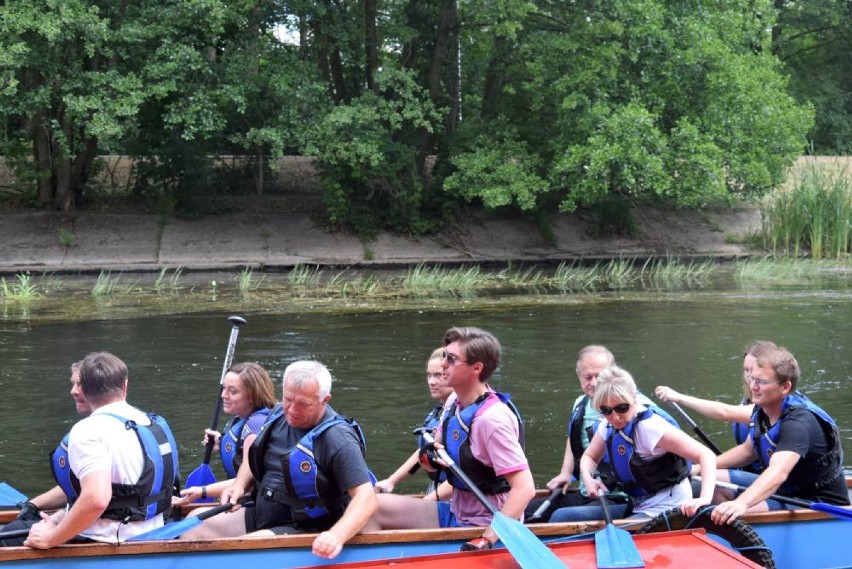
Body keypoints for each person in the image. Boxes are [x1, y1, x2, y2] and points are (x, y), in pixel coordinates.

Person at [181, 360, 377, 561]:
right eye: (288, 399)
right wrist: (239, 485)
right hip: (261, 512)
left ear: (324, 400)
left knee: (240, 553)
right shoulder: (277, 415)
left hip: (302, 527)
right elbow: (254, 458)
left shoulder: (337, 439)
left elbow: (365, 497)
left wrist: (336, 536)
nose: (292, 410)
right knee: (193, 526)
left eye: (303, 404)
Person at [363, 326, 534, 552]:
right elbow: (436, 447)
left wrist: (488, 537)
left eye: (451, 359)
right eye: (445, 356)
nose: (443, 364)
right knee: (370, 506)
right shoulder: (454, 402)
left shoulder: (492, 421)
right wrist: (428, 458)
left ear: (476, 367)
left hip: (482, 524)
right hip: (455, 512)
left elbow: (525, 489)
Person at [21, 352, 179, 548]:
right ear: (125, 385)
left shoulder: (88, 430)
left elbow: (96, 499)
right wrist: (59, 517)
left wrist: (49, 539)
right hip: (155, 531)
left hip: (109, 540)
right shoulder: (151, 422)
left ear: (84, 391)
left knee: (7, 536)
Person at [709, 346, 849, 525]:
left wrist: (740, 503)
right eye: (752, 379)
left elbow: (778, 472)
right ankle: (732, 536)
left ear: (785, 387)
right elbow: (746, 451)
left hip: (815, 504)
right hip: (784, 491)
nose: (753, 387)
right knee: (711, 480)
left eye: (762, 382)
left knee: (739, 510)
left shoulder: (799, 424)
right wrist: (699, 468)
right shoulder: (762, 412)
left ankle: (746, 540)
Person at [530, 345, 666, 522]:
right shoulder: (580, 403)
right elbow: (574, 437)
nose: (594, 383)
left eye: (599, 376)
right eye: (587, 377)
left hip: (624, 498)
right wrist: (566, 473)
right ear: (579, 377)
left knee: (561, 517)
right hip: (588, 491)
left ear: (612, 375)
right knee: (527, 510)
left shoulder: (635, 410)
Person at [568, 365, 716, 521]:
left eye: (622, 408)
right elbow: (590, 457)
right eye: (606, 410)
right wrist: (587, 478)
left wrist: (704, 498)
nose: (615, 417)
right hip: (638, 504)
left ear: (634, 398)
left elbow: (706, 455)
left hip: (668, 506)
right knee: (566, 517)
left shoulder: (649, 428)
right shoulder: (607, 425)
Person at [174, 362, 276, 504]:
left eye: (232, 391)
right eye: (224, 389)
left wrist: (202, 491)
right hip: (244, 498)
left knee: (193, 519)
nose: (223, 395)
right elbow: (238, 450)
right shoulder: (241, 418)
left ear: (253, 395)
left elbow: (248, 483)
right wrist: (221, 443)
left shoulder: (255, 427)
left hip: (256, 502)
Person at [7, 362, 91, 532]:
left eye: (80, 384)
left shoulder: (91, 433)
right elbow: (84, 484)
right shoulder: (142, 422)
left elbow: (96, 498)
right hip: (138, 522)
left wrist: (51, 536)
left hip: (107, 532)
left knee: (9, 533)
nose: (73, 391)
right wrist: (34, 504)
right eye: (73, 384)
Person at [655, 340, 778, 448]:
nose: (750, 376)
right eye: (746, 370)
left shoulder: (776, 403)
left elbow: (725, 413)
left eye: (755, 370)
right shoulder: (751, 396)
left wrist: (679, 397)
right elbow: (746, 452)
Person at [374, 348, 454, 494]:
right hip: (436, 487)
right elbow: (424, 451)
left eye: (438, 375)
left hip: (455, 496)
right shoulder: (439, 413)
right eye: (429, 375)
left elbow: (466, 477)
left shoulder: (460, 417)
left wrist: (428, 502)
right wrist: (391, 481)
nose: (431, 382)